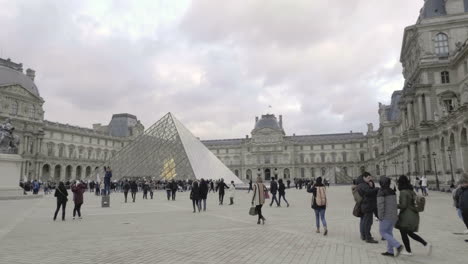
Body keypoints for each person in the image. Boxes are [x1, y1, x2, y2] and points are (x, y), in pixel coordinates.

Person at [396, 175, 431, 256]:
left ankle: (410, 251)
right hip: (413, 214)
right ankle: (425, 244)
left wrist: (394, 205)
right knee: (409, 232)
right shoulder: (411, 190)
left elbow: (403, 205)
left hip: (406, 215)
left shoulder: (403, 192)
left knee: (404, 232)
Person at [377, 176, 403, 257]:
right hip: (393, 215)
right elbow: (394, 204)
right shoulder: (392, 191)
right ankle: (390, 251)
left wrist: (380, 216)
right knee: (389, 233)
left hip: (386, 216)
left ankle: (398, 245)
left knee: (383, 232)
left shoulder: (381, 192)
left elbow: (380, 205)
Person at [357, 172, 379, 243]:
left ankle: (363, 235)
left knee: (364, 221)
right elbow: (368, 192)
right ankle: (368, 237)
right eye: (368, 178)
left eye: (370, 178)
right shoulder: (363, 185)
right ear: (364, 177)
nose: (370, 179)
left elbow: (368, 191)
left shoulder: (363, 184)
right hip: (368, 205)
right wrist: (376, 188)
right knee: (368, 222)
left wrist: (371, 186)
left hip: (365, 205)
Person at [456, 175, 468, 242]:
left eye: (465, 182)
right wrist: (458, 206)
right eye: (462, 183)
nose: (463, 184)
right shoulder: (459, 190)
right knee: (467, 223)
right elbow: (457, 198)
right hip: (463, 210)